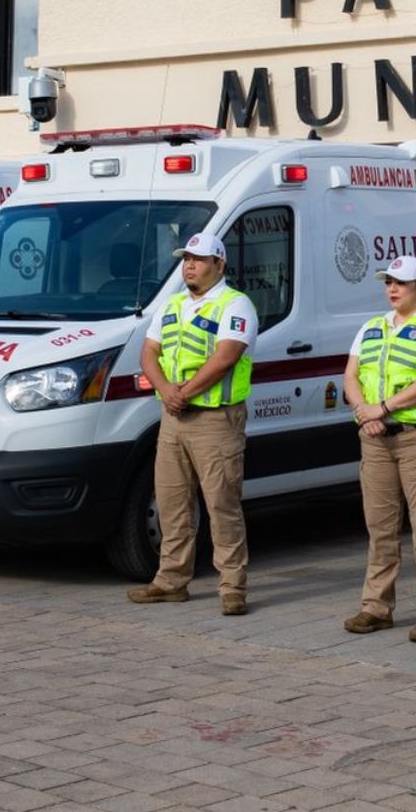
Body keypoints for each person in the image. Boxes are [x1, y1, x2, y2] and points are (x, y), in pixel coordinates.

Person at [127, 233, 257, 616]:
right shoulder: (173, 305)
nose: (189, 265)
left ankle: (233, 587)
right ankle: (171, 581)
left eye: (198, 260)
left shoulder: (236, 304)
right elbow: (148, 353)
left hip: (216, 419)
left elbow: (226, 357)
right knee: (171, 503)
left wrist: (183, 392)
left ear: (220, 265)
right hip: (174, 417)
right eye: (186, 259)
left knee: (222, 504)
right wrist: (167, 391)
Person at [340, 255, 416, 644]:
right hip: (375, 439)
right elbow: (350, 376)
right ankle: (376, 608)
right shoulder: (371, 327)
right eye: (388, 282)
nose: (392, 289)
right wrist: (363, 413)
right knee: (380, 529)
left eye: (401, 283)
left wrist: (384, 408)